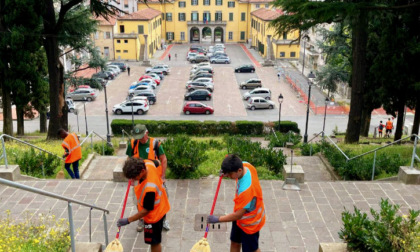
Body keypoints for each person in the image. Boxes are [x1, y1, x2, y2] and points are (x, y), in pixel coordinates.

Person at [207, 154, 265, 252]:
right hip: (240, 220)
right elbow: (232, 161)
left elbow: (237, 215)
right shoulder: (246, 165)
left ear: (239, 171)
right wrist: (225, 172)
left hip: (249, 223)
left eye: (230, 174)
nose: (229, 176)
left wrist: (218, 219)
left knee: (252, 249)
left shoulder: (246, 191)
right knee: (235, 242)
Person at [117, 158, 170, 252]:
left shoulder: (150, 189)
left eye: (134, 177)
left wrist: (128, 220)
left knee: (154, 242)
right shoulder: (148, 163)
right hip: (161, 204)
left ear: (142, 171)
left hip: (154, 216)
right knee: (153, 240)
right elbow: (157, 162)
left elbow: (146, 210)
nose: (133, 180)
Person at [126, 124, 170, 232]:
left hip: (154, 177)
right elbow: (129, 159)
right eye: (137, 137)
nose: (140, 139)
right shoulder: (132, 144)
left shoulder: (155, 143)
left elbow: (163, 159)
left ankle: (163, 219)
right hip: (138, 177)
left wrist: (163, 176)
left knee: (162, 198)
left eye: (141, 136)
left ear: (147, 133)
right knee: (139, 199)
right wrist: (131, 177)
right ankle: (142, 219)